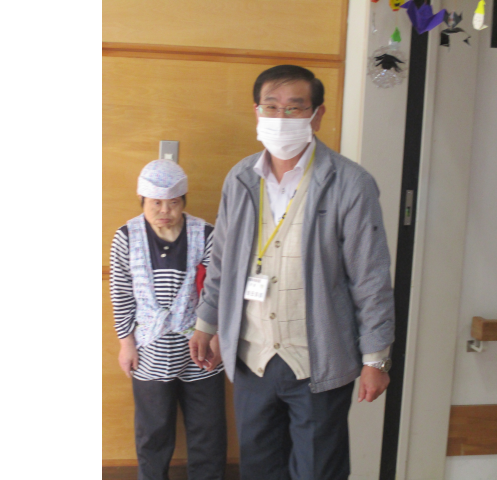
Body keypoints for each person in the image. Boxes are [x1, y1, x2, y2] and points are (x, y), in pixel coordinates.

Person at [190, 65, 395, 480]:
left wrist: (376, 357)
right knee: (258, 468)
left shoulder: (350, 183)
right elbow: (222, 261)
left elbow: (370, 278)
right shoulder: (240, 179)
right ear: (257, 112)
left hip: (319, 359)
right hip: (252, 357)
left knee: (318, 470)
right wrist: (206, 323)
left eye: (295, 108)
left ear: (316, 116)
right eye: (272, 107)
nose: (281, 117)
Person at [110, 159, 227, 480]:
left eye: (173, 203)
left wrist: (217, 337)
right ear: (142, 200)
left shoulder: (206, 233)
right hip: (149, 350)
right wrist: (126, 344)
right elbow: (121, 294)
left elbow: (218, 290)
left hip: (201, 349)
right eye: (156, 203)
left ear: (183, 201)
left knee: (208, 431)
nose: (165, 211)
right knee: (153, 433)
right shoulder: (126, 236)